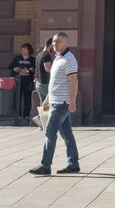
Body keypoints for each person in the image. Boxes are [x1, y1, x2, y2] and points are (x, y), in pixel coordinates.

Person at [29, 31, 80, 176]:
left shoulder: (69, 59)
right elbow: (55, 83)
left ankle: (45, 165)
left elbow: (73, 81)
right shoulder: (57, 58)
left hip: (61, 103)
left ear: (66, 43)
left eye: (58, 42)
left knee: (50, 133)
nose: (55, 44)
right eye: (53, 42)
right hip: (56, 101)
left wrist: (72, 102)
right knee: (67, 135)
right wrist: (46, 100)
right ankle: (73, 164)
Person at [8, 42, 37, 125]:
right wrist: (16, 69)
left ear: (29, 50)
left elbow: (35, 70)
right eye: (22, 49)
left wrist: (29, 71)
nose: (23, 51)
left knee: (27, 98)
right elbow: (11, 67)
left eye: (25, 49)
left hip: (28, 82)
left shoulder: (32, 60)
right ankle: (18, 115)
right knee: (17, 98)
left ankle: (26, 115)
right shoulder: (17, 58)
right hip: (18, 81)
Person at [35, 36, 55, 109]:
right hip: (45, 83)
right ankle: (47, 119)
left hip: (39, 83)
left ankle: (41, 118)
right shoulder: (46, 55)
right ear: (51, 45)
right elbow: (48, 69)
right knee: (51, 103)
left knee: (43, 104)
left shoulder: (39, 54)